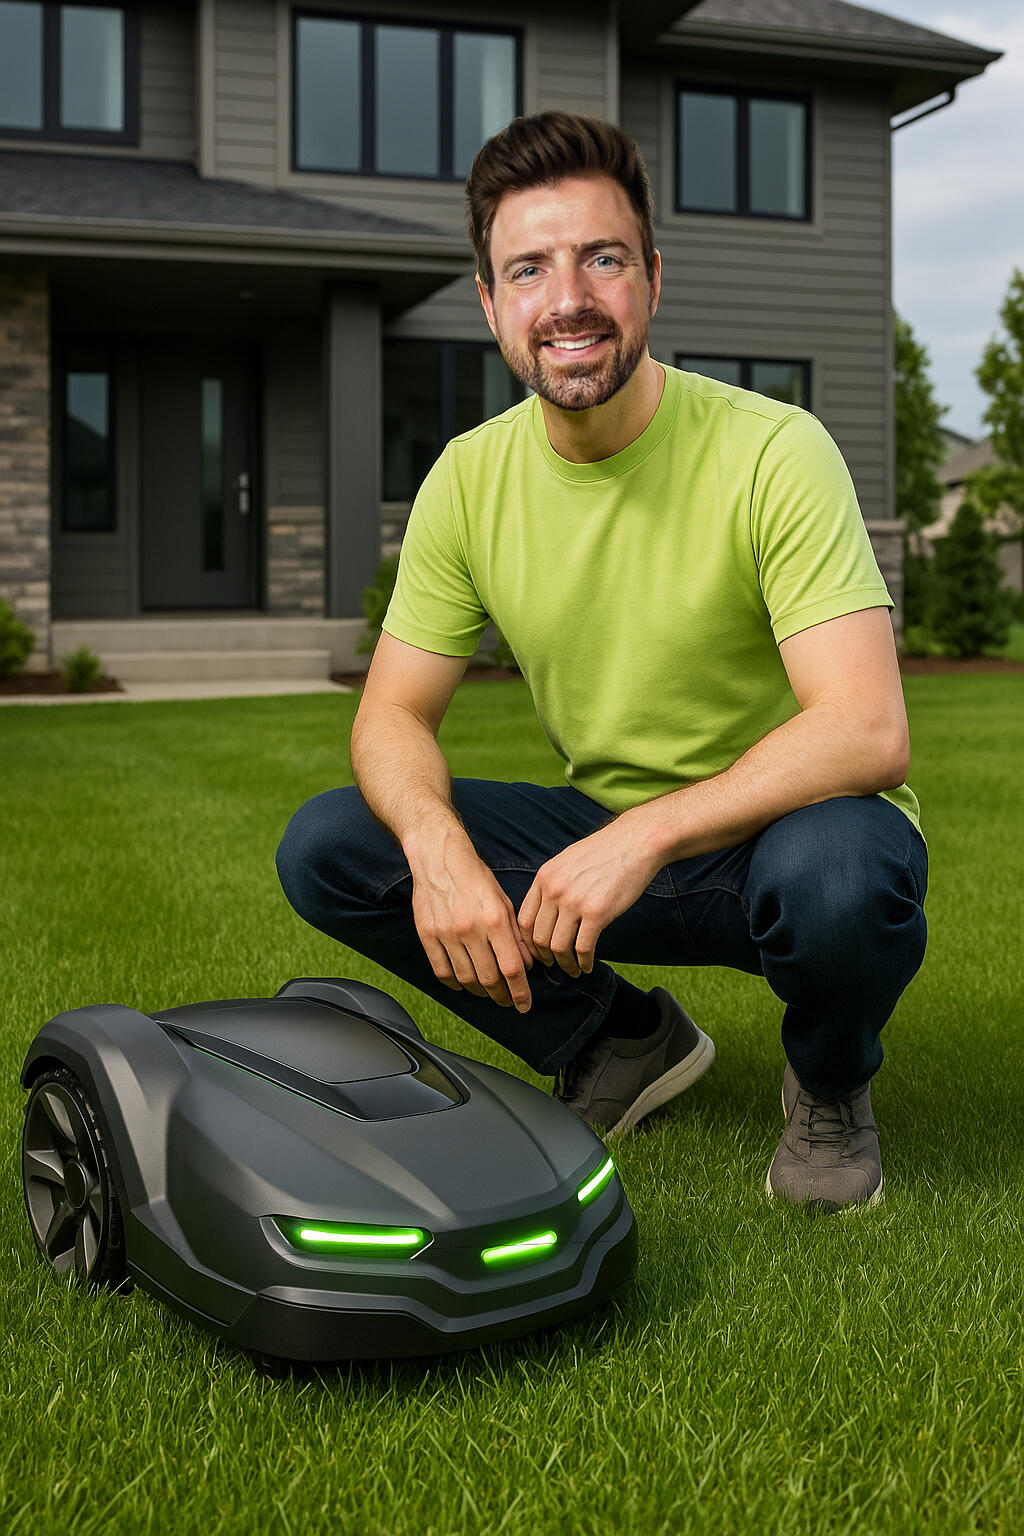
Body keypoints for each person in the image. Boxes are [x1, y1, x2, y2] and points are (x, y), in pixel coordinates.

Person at [276, 111, 928, 1214]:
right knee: (336, 844)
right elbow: (391, 713)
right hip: (594, 851)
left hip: (779, 839)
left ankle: (826, 1084)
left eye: (601, 258)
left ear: (652, 280)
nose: (566, 297)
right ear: (490, 305)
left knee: (841, 881)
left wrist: (648, 832)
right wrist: (437, 849)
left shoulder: (772, 449)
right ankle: (618, 1038)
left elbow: (865, 727)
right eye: (528, 268)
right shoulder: (468, 480)